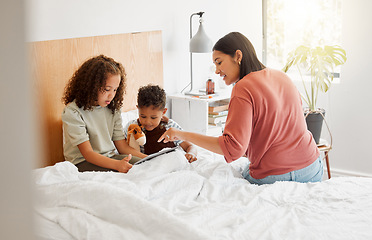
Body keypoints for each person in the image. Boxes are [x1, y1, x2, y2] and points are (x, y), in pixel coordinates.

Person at [159, 32, 323, 185]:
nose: (216, 70)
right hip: (312, 167)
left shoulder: (242, 88)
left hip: (274, 175)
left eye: (219, 62)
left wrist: (180, 134)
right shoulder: (282, 76)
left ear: (238, 56)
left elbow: (232, 149)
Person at [61, 55, 147, 173]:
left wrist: (151, 159)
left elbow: (122, 147)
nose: (111, 95)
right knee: (133, 171)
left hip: (110, 157)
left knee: (145, 166)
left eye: (115, 89)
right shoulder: (73, 112)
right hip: (82, 163)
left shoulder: (113, 109)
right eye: (107, 89)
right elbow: (88, 154)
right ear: (91, 86)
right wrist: (117, 165)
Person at [124, 84, 197, 163]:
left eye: (153, 118)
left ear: (163, 112)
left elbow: (190, 146)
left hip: (169, 163)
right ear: (138, 109)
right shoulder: (132, 127)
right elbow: (123, 148)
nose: (148, 122)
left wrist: (191, 154)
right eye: (143, 116)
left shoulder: (170, 126)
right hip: (147, 165)